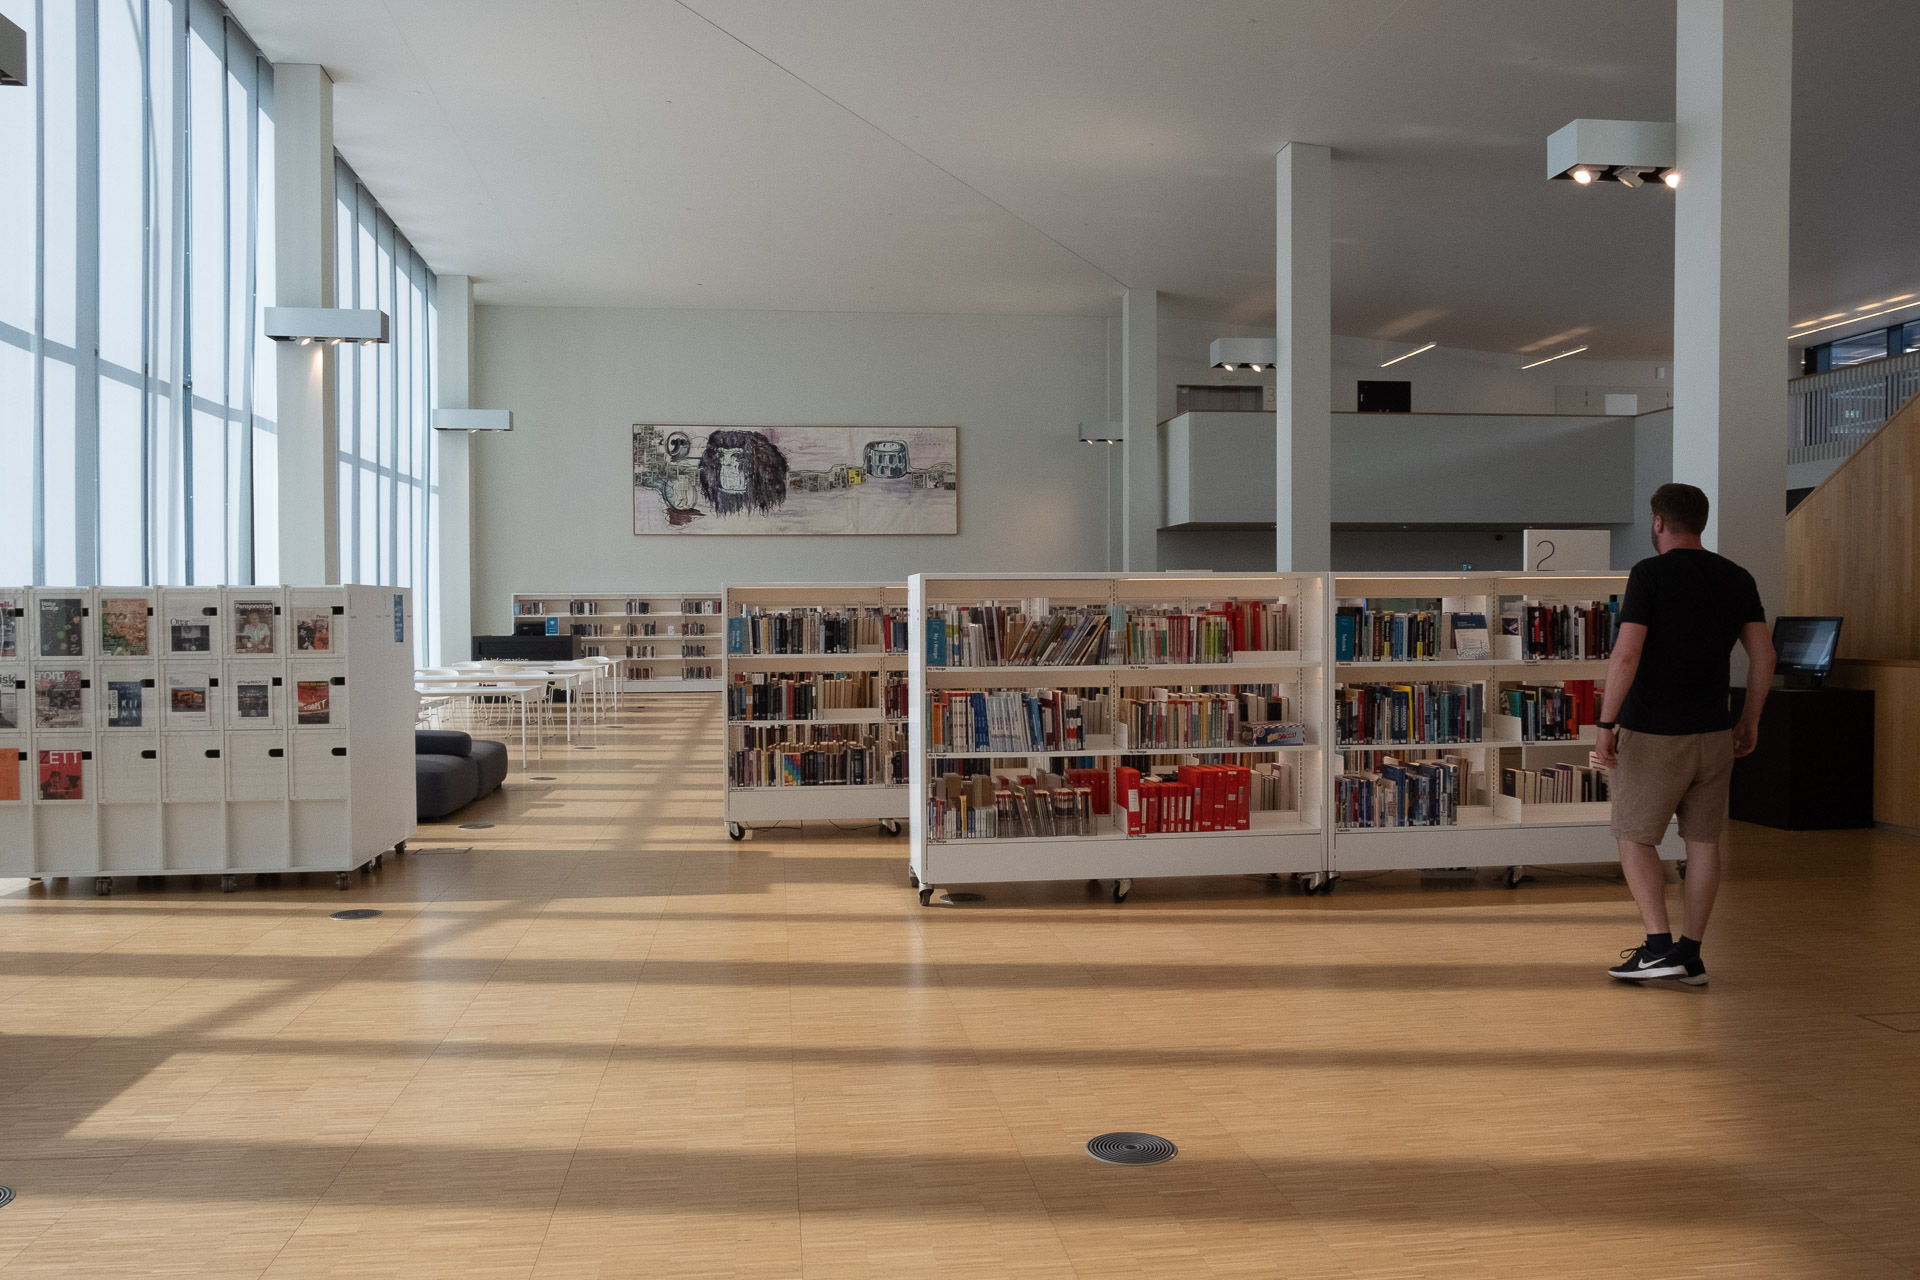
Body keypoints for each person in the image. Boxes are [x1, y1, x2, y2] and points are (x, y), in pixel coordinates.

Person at [1593, 483, 1774, 987]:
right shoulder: (1737, 577)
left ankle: (1657, 948)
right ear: (1702, 521)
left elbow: (1626, 656)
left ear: (1657, 522)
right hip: (1716, 732)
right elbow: (1764, 657)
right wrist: (1750, 720)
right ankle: (1690, 955)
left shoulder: (1648, 574)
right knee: (1703, 844)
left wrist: (1606, 725)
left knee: (1633, 837)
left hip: (1654, 733)